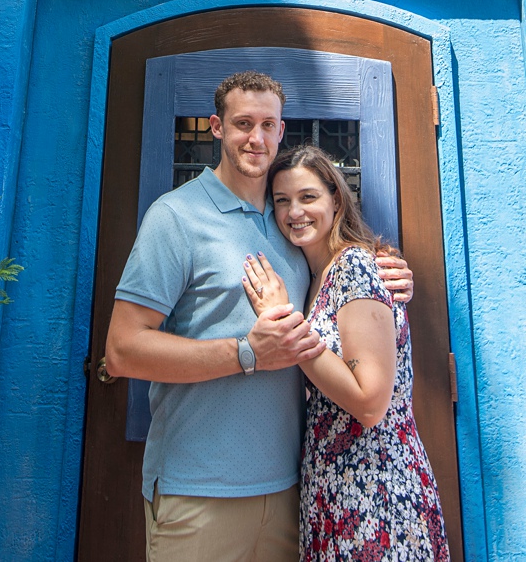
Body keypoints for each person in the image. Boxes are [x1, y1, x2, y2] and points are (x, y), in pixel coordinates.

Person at [105, 70, 413, 562]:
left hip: (295, 489)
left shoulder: (292, 220)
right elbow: (121, 351)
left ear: (282, 131)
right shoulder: (176, 217)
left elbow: (343, 296)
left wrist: (388, 274)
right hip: (198, 489)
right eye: (243, 123)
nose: (257, 137)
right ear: (216, 127)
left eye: (268, 124)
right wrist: (246, 353)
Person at [241, 145, 448, 560]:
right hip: (331, 483)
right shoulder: (316, 277)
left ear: (336, 198)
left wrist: (285, 324)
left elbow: (370, 402)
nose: (294, 211)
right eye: (281, 201)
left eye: (308, 197)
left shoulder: (353, 266)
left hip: (374, 487)